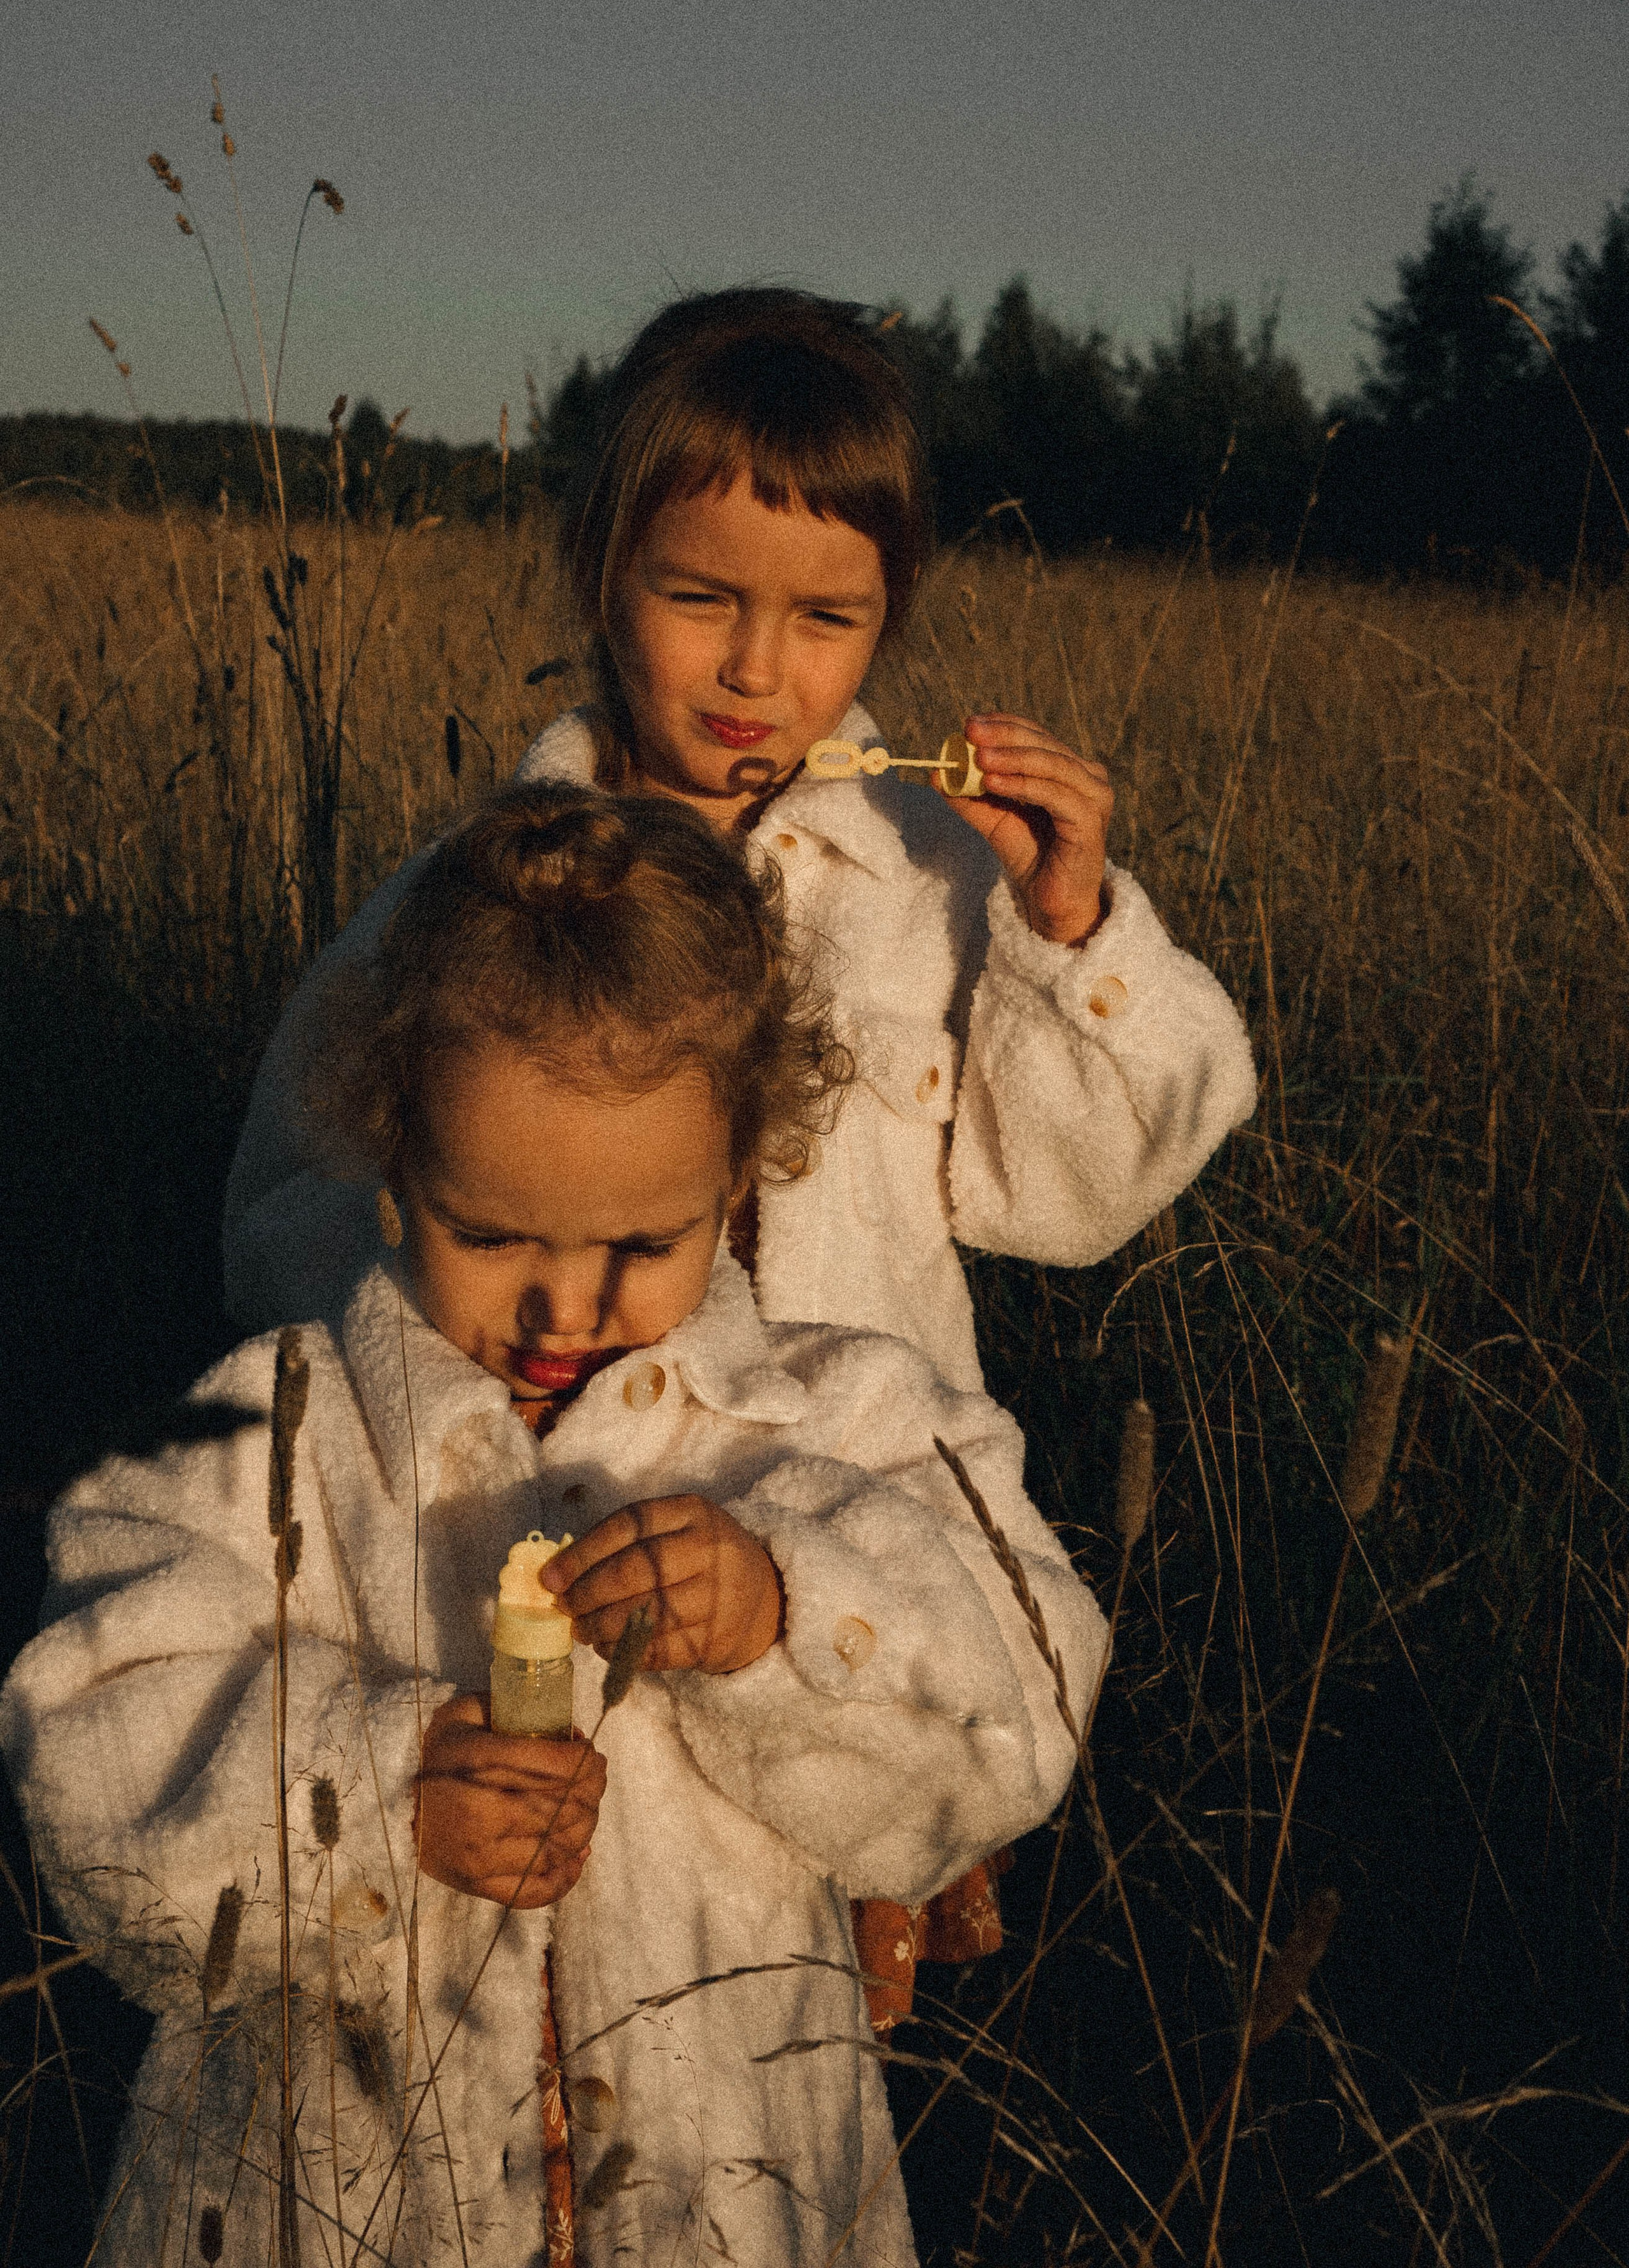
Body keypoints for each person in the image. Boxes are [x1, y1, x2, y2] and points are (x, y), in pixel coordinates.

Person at [1, 785, 1108, 2268]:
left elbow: (1024, 1707)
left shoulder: (835, 1423)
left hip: (733, 2196)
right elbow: (90, 1744)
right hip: (333, 2210)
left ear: (737, 1174)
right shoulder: (273, 1438)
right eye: (493, 1234)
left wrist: (794, 1611)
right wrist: (373, 1791)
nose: (562, 1308)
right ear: (391, 1165)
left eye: (643, 1245)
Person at [224, 286, 1257, 1390]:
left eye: (825, 618)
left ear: (887, 617)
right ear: (601, 573)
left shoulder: (938, 887)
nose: (756, 671)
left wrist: (1068, 928)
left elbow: (1078, 1197)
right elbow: (283, 1217)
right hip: (558, 1498)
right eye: (703, 597)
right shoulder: (474, 897)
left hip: (866, 1490)